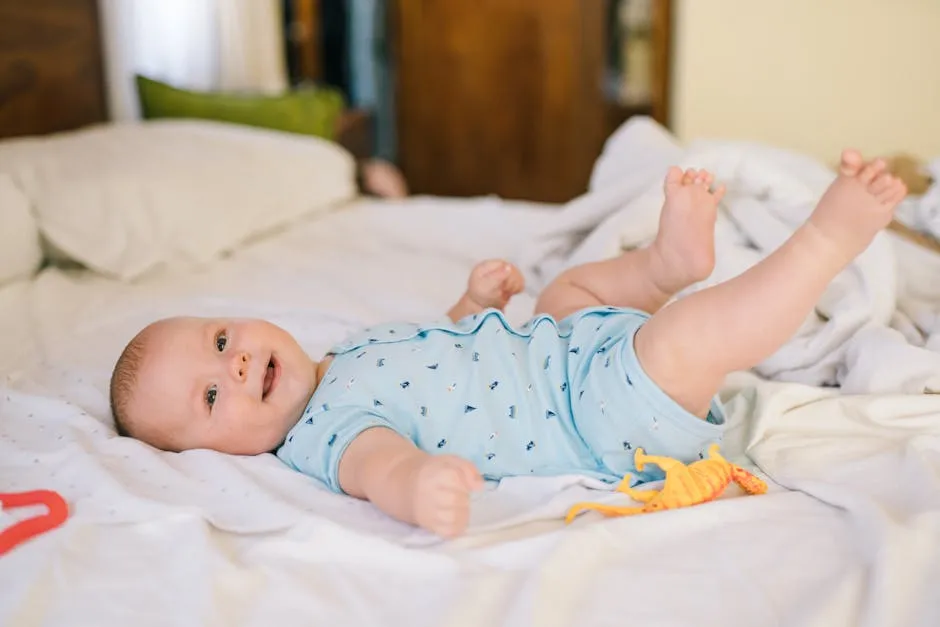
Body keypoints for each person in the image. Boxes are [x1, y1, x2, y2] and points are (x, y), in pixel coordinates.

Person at [109, 150, 906, 537]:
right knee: (691, 339)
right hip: (595, 416)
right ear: (214, 451)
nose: (236, 362)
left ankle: (666, 264)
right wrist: (418, 485)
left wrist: (472, 303)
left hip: (557, 347)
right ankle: (825, 242)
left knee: (568, 291)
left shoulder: (341, 357)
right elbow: (380, 466)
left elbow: (436, 346)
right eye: (212, 394)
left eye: (221, 339)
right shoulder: (325, 437)